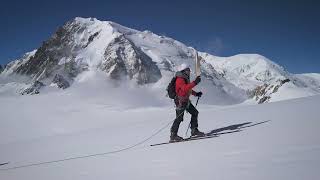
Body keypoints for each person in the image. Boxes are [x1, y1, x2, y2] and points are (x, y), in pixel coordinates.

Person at [170, 64, 205, 142]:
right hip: (180, 102)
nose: (189, 71)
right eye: (188, 70)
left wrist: (196, 94)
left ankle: (194, 130)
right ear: (184, 71)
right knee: (179, 118)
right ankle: (173, 135)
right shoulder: (180, 79)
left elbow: (187, 89)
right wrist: (195, 83)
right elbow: (185, 88)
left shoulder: (184, 78)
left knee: (195, 113)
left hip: (185, 101)